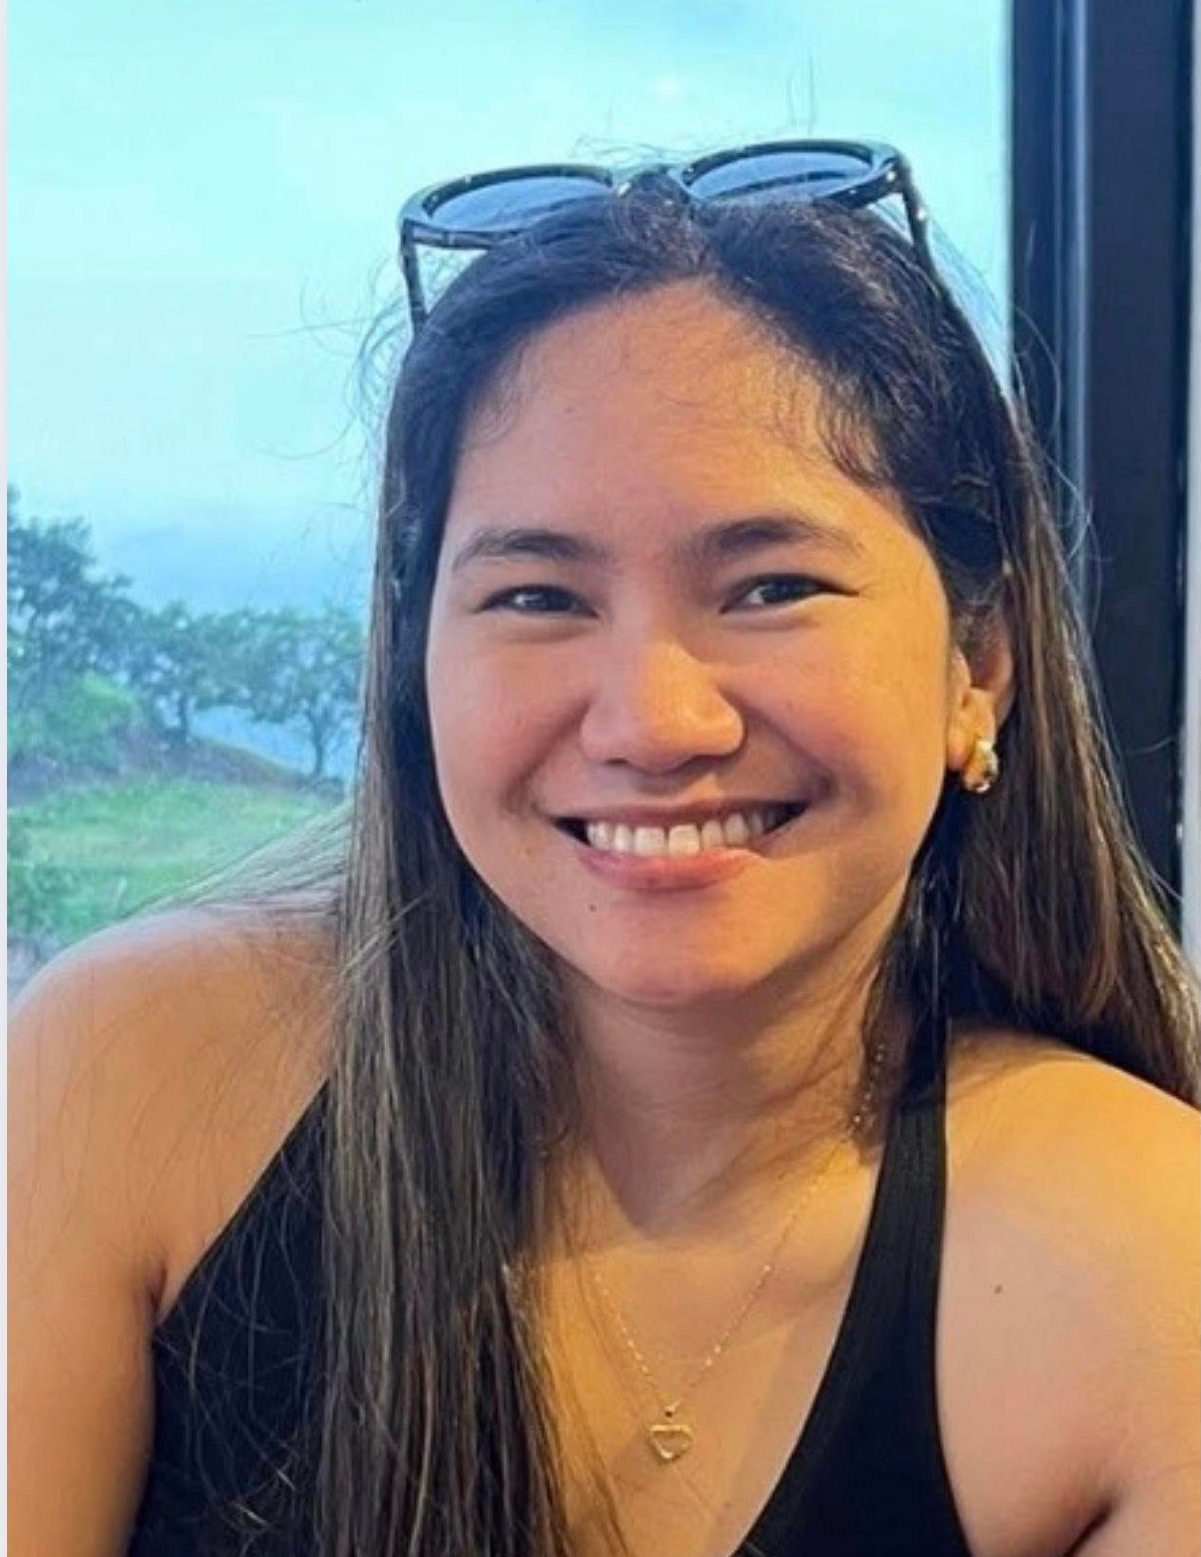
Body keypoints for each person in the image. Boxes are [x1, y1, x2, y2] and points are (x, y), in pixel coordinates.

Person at [9, 144, 1200, 1557]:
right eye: (536, 594)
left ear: (979, 667)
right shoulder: (137, 1078)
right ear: (416, 672)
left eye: (772, 586)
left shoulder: (1142, 1262)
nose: (654, 720)